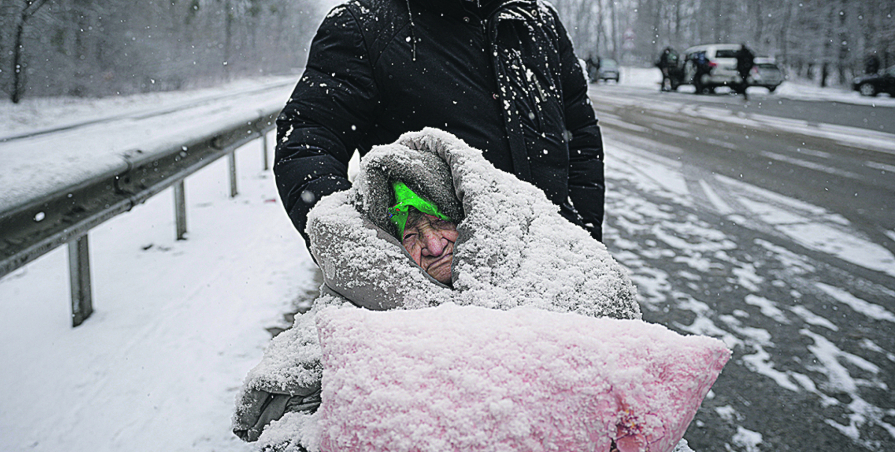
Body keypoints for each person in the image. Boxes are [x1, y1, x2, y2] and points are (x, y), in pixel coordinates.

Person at [233, 129, 641, 450]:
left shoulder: (549, 260)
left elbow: (625, 358)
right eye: (411, 233)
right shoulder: (363, 301)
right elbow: (273, 407)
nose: (432, 244)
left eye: (441, 221)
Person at [274, 0, 606, 250]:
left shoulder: (538, 24)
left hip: (554, 274)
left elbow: (581, 139)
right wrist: (371, 254)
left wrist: (582, 237)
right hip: (444, 295)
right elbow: (307, 145)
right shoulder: (364, 28)